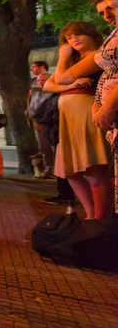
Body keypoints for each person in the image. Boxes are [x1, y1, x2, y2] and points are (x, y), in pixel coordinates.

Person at [44, 22, 113, 219]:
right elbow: (50, 84)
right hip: (69, 118)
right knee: (71, 171)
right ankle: (91, 216)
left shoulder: (97, 55)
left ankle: (100, 220)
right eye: (68, 38)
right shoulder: (75, 61)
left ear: (92, 34)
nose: (73, 40)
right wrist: (69, 85)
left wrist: (63, 59)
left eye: (78, 35)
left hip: (86, 112)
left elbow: (61, 78)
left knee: (93, 168)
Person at [27, 61, 54, 178]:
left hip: (50, 123)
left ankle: (55, 172)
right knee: (44, 148)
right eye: (39, 81)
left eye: (43, 81)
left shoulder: (53, 92)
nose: (41, 83)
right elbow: (32, 105)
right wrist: (32, 118)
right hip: (39, 123)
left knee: (53, 148)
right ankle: (48, 171)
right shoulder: (37, 93)